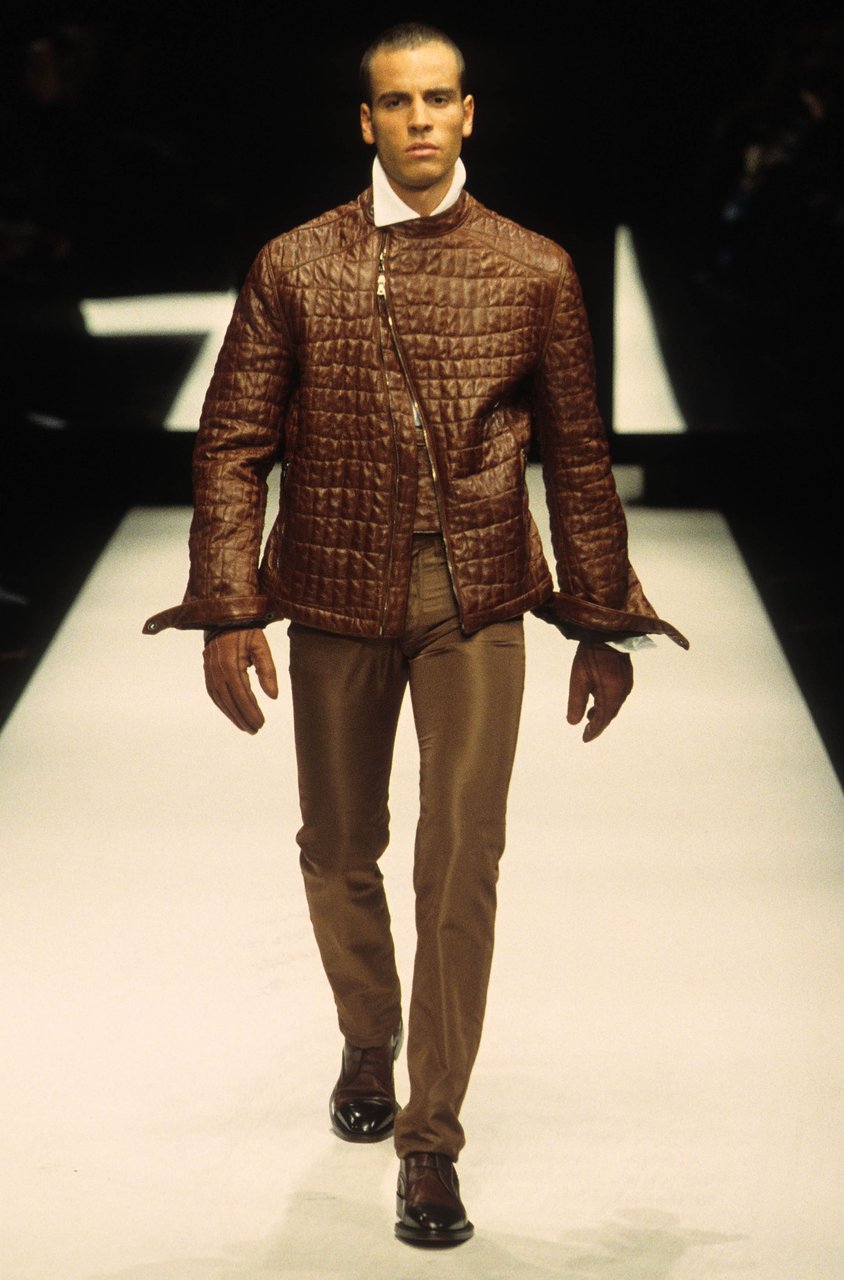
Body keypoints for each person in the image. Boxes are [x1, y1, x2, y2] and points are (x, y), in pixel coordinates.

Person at [144, 22, 687, 1248]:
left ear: (469, 111)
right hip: (334, 586)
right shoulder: (295, 264)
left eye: (439, 98)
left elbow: (578, 456)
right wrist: (228, 606)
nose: (421, 119)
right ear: (367, 120)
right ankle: (366, 1031)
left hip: (473, 594)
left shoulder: (533, 270)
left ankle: (429, 1137)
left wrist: (601, 622)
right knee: (338, 844)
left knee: (460, 857)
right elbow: (233, 441)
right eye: (398, 101)